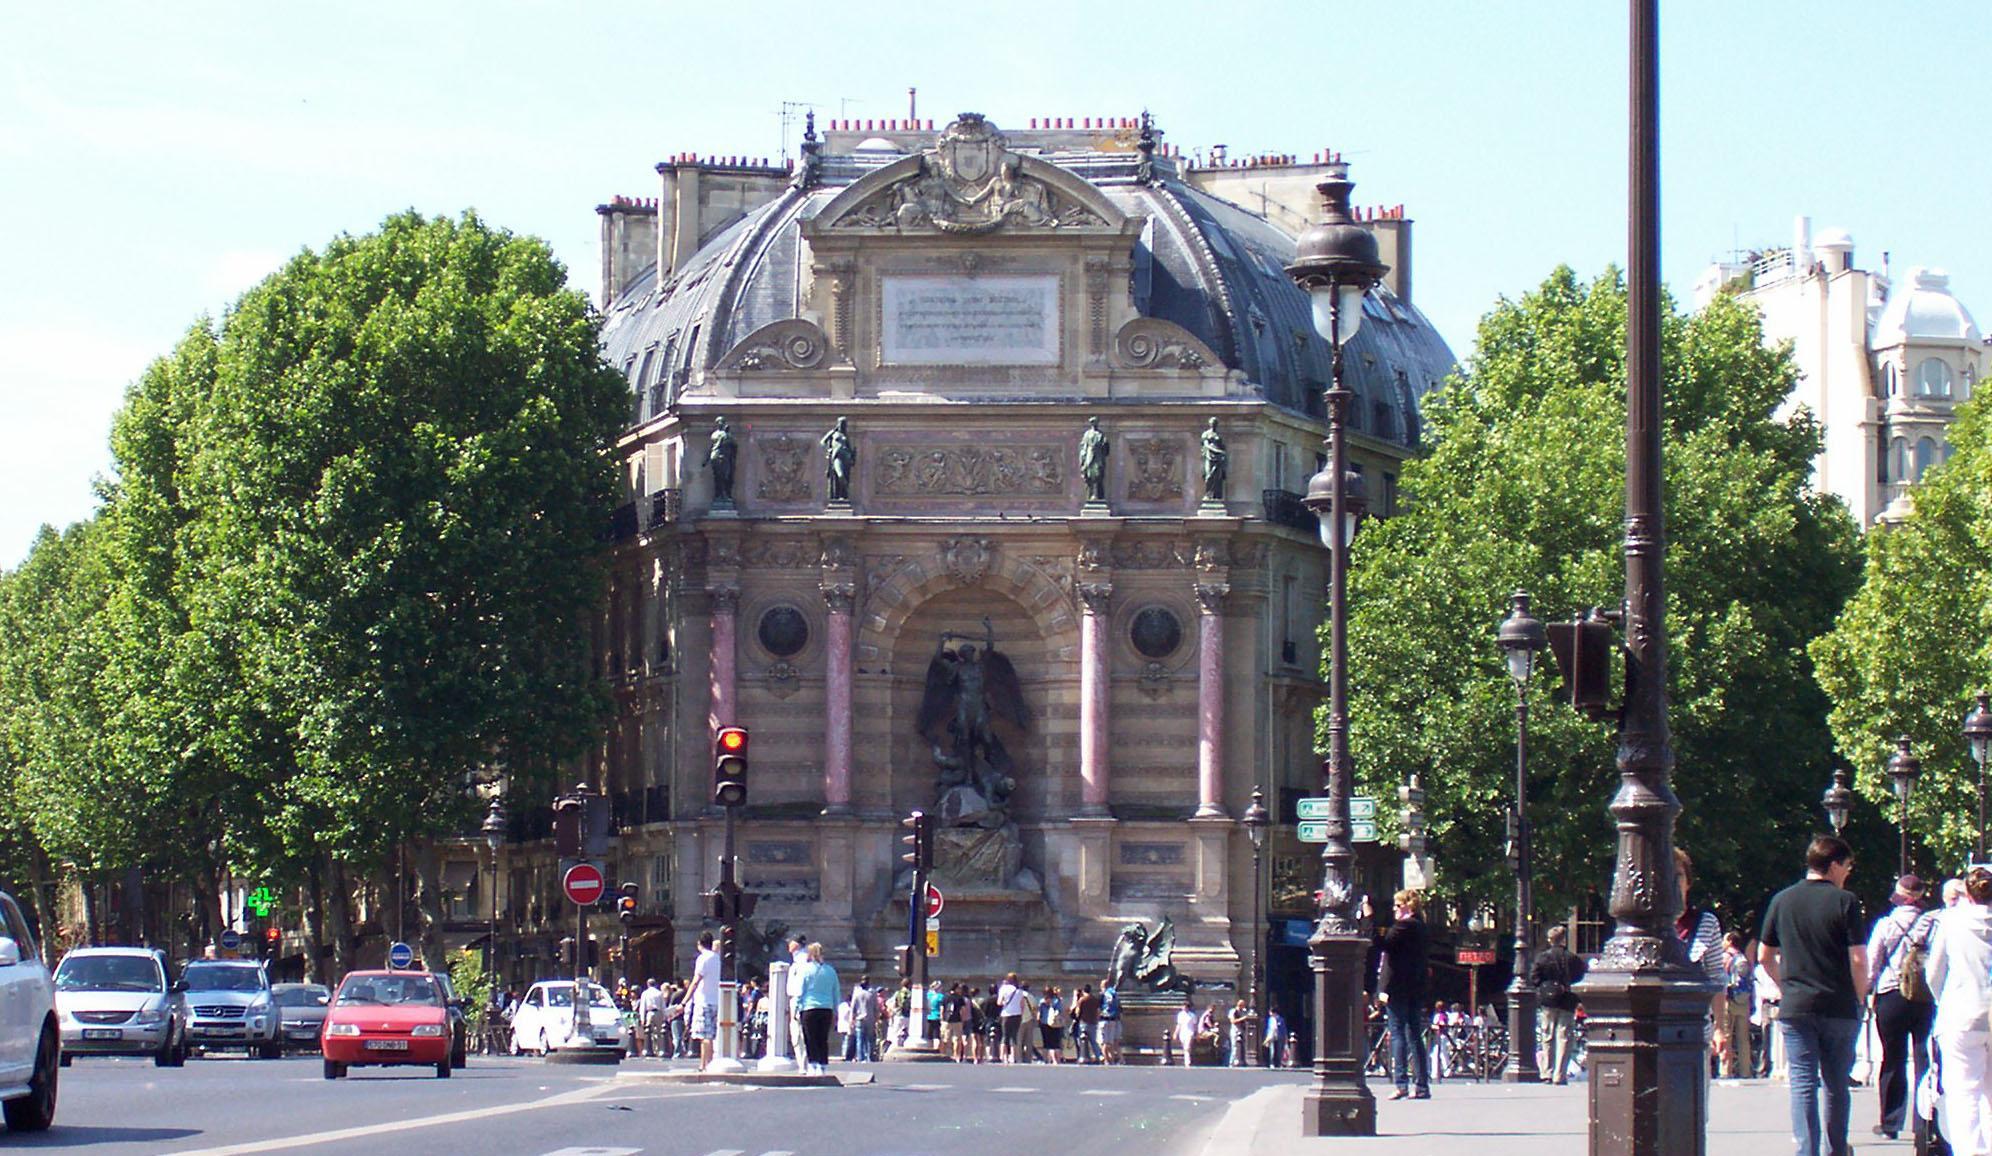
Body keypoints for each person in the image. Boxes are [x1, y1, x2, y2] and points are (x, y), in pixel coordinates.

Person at [1758, 835, 1867, 1156]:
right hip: (1838, 1003)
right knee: (1836, 1083)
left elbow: (1765, 954)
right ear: (1833, 865)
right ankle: (1835, 1149)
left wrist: (1785, 983)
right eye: (1846, 866)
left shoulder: (1782, 900)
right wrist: (1860, 998)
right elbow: (1859, 959)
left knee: (1803, 1082)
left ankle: (1807, 1149)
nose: (1847, 873)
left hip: (1796, 1005)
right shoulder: (1845, 902)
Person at [1925, 865, 1992, 1154]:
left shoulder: (1951, 921)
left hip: (1961, 1013)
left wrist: (1943, 1000)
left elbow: (1934, 972)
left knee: (1963, 1094)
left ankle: (1969, 1151)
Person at [1866, 873, 1938, 1139]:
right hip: (1924, 995)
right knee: (1923, 1057)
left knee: (1893, 1058)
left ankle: (1891, 1122)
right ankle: (1925, 1121)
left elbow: (1873, 961)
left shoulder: (1886, 924)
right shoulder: (1933, 923)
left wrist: (1867, 990)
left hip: (1891, 993)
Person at [1378, 888, 1432, 1099]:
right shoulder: (1421, 927)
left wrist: (1369, 919)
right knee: (1414, 1034)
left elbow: (1383, 943)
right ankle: (1422, 1085)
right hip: (1415, 986)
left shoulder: (1404, 926)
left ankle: (1401, 1083)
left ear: (1407, 906)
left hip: (1398, 986)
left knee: (1398, 1032)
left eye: (1397, 905)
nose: (1394, 910)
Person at [1532, 924, 1587, 1084]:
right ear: (1564, 939)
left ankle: (1547, 1072)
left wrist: (1544, 987)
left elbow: (1534, 977)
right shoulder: (1572, 958)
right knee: (1564, 1037)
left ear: (1550, 940)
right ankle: (1559, 1074)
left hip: (1548, 1001)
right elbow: (1580, 976)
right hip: (1567, 1000)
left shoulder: (1543, 957)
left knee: (1547, 1036)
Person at [791, 942, 840, 1077]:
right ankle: (823, 1065)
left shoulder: (805, 970)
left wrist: (795, 1009)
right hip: (826, 1008)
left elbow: (799, 991)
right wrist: (836, 1010)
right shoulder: (831, 971)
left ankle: (813, 1064)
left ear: (810, 954)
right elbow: (836, 992)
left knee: (810, 1038)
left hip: (809, 1007)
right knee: (822, 1038)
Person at [1717, 932, 1756, 1079]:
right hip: (1743, 1000)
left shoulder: (1725, 957)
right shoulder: (1743, 958)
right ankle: (1745, 1071)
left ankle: (1725, 1070)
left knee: (1726, 1035)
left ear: (1729, 941)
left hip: (1728, 999)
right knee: (1743, 1038)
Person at [685, 931, 722, 1072]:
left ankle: (706, 1064)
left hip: (704, 1001)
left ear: (699, 944)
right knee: (711, 1035)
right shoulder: (718, 959)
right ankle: (707, 1063)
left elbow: (696, 981)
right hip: (716, 1001)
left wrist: (684, 1001)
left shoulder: (703, 959)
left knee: (705, 1036)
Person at [636, 978, 667, 1059]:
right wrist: (664, 1016)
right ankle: (659, 1049)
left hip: (649, 1013)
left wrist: (642, 1018)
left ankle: (651, 1049)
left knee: (649, 1032)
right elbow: (663, 1006)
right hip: (658, 1012)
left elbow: (643, 1006)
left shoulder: (645, 993)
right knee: (660, 1032)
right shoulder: (659, 993)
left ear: (648, 984)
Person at [997, 972, 1025, 1063]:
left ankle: (1004, 1056)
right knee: (1014, 1037)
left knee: (1005, 1036)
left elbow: (999, 1002)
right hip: (1017, 1014)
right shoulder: (1019, 991)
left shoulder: (1003, 988)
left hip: (1006, 1014)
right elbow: (1022, 1005)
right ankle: (1013, 1057)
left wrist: (1005, 1002)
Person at [1099, 976, 1124, 1064]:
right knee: (1111, 1042)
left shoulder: (1103, 994)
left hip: (1104, 1019)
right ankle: (1113, 1060)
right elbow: (1119, 1007)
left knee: (1103, 1043)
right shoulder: (1114, 993)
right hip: (1114, 1019)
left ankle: (1107, 1060)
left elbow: (1099, 1007)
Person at [1073, 984, 1100, 1064]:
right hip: (1093, 1022)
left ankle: (1083, 1056)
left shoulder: (1082, 1000)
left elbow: (1077, 1013)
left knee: (1082, 1041)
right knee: (1093, 1042)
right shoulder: (1094, 999)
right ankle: (1099, 1056)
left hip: (1083, 1023)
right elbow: (1098, 1011)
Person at [1040, 986, 1065, 1064]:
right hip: (1055, 1023)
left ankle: (1045, 1059)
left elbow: (1039, 1013)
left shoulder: (1042, 1001)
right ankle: (1056, 1060)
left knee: (1046, 1043)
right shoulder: (1056, 1001)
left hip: (1044, 1022)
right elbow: (1059, 1011)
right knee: (1055, 1043)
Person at [1175, 999, 1199, 1068]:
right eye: (1183, 1006)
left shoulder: (1192, 1015)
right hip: (1182, 1033)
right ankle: (1187, 1059)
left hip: (1189, 1032)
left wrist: (1196, 1033)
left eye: (1185, 1007)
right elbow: (1179, 1025)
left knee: (1187, 1047)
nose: (1184, 1008)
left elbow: (1195, 1025)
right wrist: (1176, 1033)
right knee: (1185, 1047)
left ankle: (1187, 1062)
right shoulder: (1180, 1015)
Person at [1227, 999, 1250, 1067]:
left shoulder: (1243, 1011)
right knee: (1234, 1047)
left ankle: (1241, 1061)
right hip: (1235, 1030)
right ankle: (1231, 1062)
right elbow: (1233, 1021)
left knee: (1243, 1046)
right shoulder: (1233, 1011)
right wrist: (1243, 1018)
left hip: (1241, 1030)